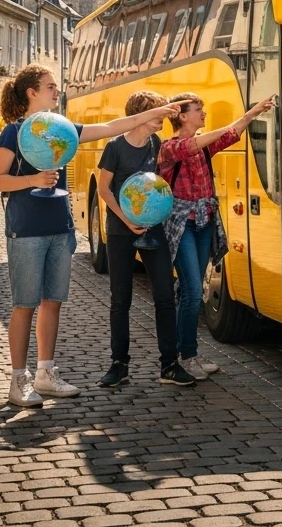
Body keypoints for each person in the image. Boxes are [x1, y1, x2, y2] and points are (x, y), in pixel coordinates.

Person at [0, 64, 179, 408]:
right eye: (50, 87)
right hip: (26, 230)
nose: (56, 91)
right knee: (24, 305)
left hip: (60, 230)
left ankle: (46, 374)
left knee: (53, 302)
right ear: (32, 92)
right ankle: (19, 379)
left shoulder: (63, 130)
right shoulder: (14, 132)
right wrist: (32, 180)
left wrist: (156, 111)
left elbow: (110, 127)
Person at [158, 92, 276, 381]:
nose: (204, 114)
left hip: (204, 222)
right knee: (191, 292)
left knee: (192, 289)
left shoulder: (203, 147)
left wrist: (254, 112)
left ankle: (188, 354)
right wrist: (222, 130)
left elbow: (232, 133)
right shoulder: (170, 147)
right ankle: (184, 356)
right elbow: (190, 146)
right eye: (199, 110)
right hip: (183, 224)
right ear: (182, 116)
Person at [96, 90, 196, 390]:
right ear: (142, 114)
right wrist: (127, 220)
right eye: (159, 112)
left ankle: (169, 364)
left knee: (165, 296)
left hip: (153, 229)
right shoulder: (115, 147)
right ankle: (119, 365)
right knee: (120, 299)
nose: (163, 117)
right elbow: (104, 190)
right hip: (120, 232)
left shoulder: (155, 143)